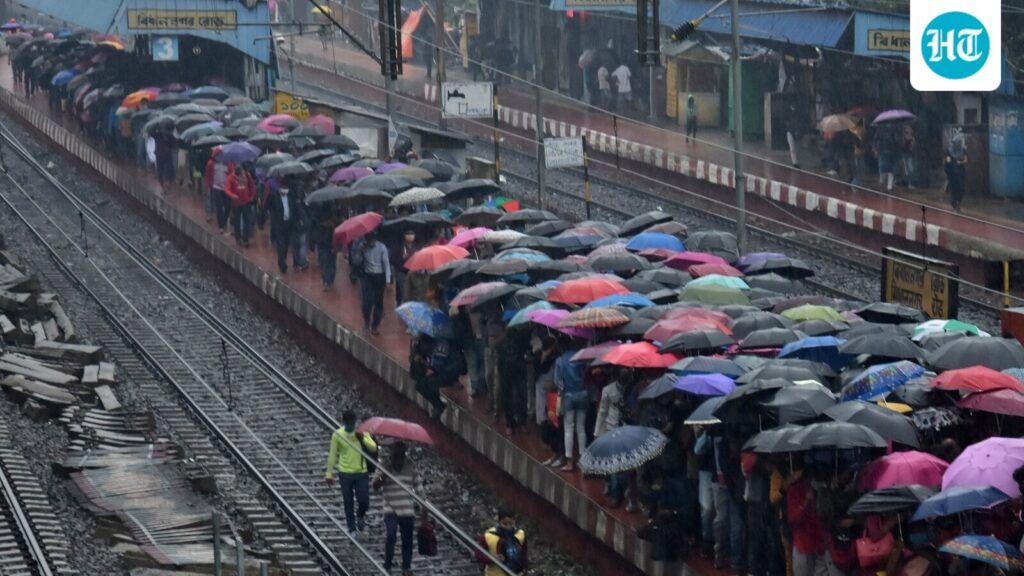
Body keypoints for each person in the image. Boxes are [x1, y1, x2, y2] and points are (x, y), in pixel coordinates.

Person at [325, 410, 379, 537]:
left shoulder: (361, 432)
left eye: (352, 423)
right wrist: (329, 474)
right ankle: (351, 527)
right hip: (345, 473)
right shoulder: (337, 435)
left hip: (361, 472)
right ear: (344, 422)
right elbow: (333, 455)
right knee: (348, 501)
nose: (351, 425)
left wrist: (363, 438)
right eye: (348, 423)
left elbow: (373, 447)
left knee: (364, 501)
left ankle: (360, 515)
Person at [371, 441, 422, 576]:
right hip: (390, 507)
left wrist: (423, 503)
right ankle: (387, 563)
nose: (398, 459)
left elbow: (418, 485)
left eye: (400, 456)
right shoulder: (384, 465)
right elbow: (375, 486)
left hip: (407, 508)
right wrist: (383, 476)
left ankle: (406, 566)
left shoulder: (410, 465)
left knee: (407, 539)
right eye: (396, 455)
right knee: (391, 535)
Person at [787, 469, 827, 576]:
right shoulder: (794, 491)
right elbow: (794, 518)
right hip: (803, 544)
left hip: (819, 543)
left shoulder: (820, 491)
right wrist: (806, 502)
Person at [351, 230, 391, 335]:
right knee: (366, 302)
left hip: (379, 277)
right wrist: (361, 252)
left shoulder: (382, 247)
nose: (370, 242)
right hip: (367, 277)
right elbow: (356, 261)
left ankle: (375, 325)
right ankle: (367, 321)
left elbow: (386, 264)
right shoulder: (362, 247)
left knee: (378, 302)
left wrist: (387, 280)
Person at [555, 347, 587, 473]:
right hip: (583, 395)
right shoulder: (582, 357)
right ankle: (583, 460)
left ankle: (569, 462)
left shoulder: (560, 360)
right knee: (581, 428)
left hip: (568, 395)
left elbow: (558, 382)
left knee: (568, 429)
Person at [264, 176, 303, 273]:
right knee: (281, 245)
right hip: (279, 224)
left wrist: (301, 220)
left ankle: (296, 262)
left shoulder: (291, 195)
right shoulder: (273, 195)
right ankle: (282, 264)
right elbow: (267, 207)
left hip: (290, 223)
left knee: (290, 243)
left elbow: (297, 208)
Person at [476, 509, 528, 576]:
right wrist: (492, 558)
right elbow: (478, 554)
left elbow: (524, 554)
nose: (508, 527)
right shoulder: (488, 536)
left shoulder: (521, 534)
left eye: (511, 524)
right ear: (499, 522)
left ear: (514, 521)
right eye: (505, 524)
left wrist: (524, 569)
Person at [224, 164, 256, 246]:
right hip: (236, 203)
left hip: (246, 202)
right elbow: (227, 189)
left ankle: (245, 238)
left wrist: (251, 196)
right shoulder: (230, 178)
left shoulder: (247, 175)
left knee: (247, 221)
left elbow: (252, 186)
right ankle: (238, 238)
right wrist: (232, 195)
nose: (242, 176)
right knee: (237, 222)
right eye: (240, 175)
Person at [391, 229, 420, 306]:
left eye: (412, 234)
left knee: (414, 292)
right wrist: (402, 258)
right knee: (404, 293)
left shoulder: (417, 247)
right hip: (402, 273)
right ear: (404, 235)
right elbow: (394, 260)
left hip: (414, 272)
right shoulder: (399, 246)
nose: (410, 236)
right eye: (408, 234)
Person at [203, 149, 230, 228]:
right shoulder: (211, 164)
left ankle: (223, 220)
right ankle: (215, 218)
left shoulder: (228, 164)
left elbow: (231, 174)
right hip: (215, 186)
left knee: (227, 205)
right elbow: (208, 175)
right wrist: (208, 185)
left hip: (225, 188)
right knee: (215, 203)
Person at [945, 128, 968, 212]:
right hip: (953, 172)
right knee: (954, 189)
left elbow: (966, 159)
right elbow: (947, 161)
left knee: (962, 189)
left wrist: (960, 162)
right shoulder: (949, 150)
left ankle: (958, 202)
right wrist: (952, 164)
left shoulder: (963, 150)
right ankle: (955, 203)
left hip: (961, 171)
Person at [874, 122, 900, 193]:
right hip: (887, 151)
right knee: (887, 169)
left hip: (887, 151)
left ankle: (885, 184)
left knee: (886, 169)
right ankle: (887, 185)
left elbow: (876, 141)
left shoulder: (880, 130)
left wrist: (876, 149)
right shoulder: (891, 130)